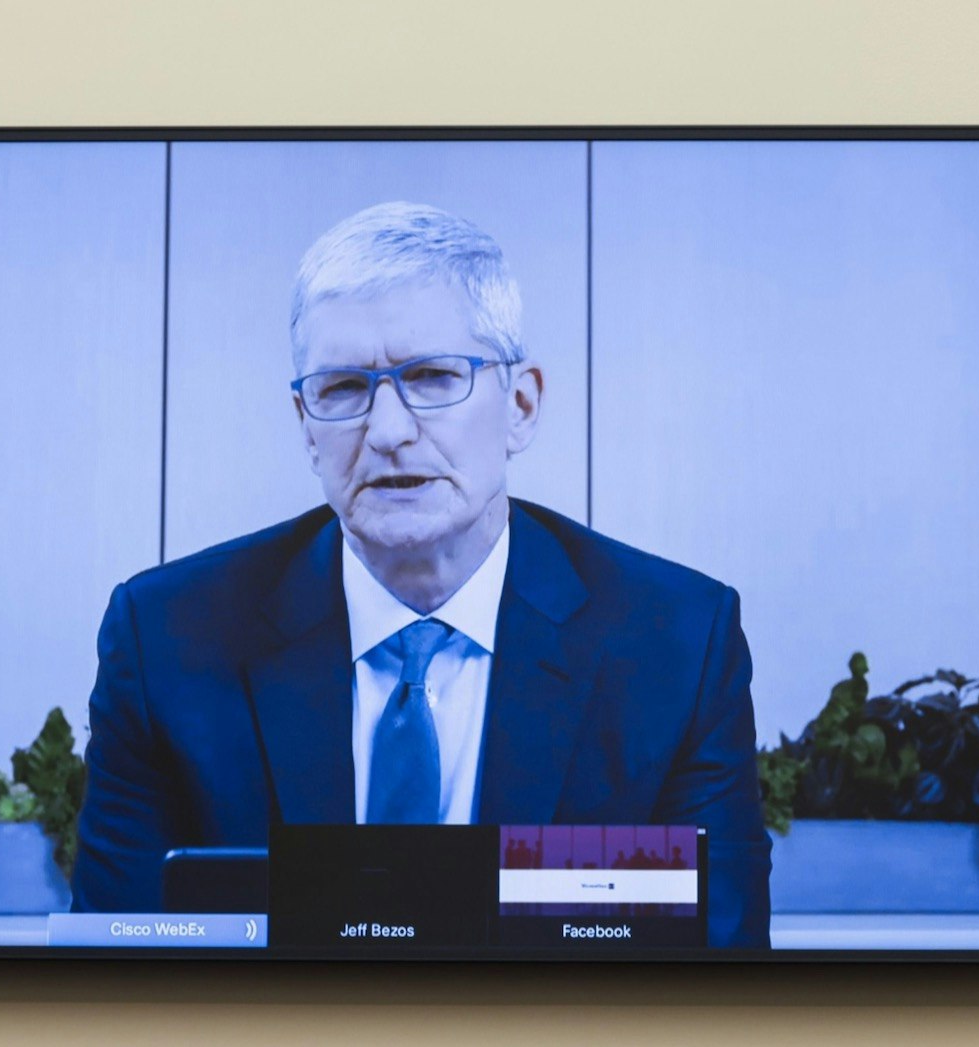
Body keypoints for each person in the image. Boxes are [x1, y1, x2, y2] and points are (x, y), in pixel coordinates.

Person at [71, 201, 771, 947]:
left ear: (522, 405)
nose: (389, 430)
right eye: (342, 389)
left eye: (433, 377)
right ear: (306, 424)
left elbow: (716, 975)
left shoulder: (676, 644)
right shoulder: (168, 640)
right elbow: (118, 972)